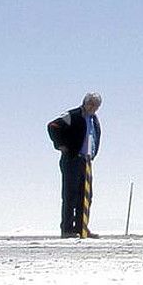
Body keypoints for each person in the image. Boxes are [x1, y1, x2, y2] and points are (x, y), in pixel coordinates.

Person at [48, 93, 103, 238]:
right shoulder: (73, 115)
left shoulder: (94, 119)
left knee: (85, 196)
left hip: (86, 161)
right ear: (84, 103)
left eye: (96, 105)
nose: (93, 107)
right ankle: (67, 229)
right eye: (91, 104)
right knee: (70, 195)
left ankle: (82, 228)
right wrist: (60, 145)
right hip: (72, 159)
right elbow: (53, 126)